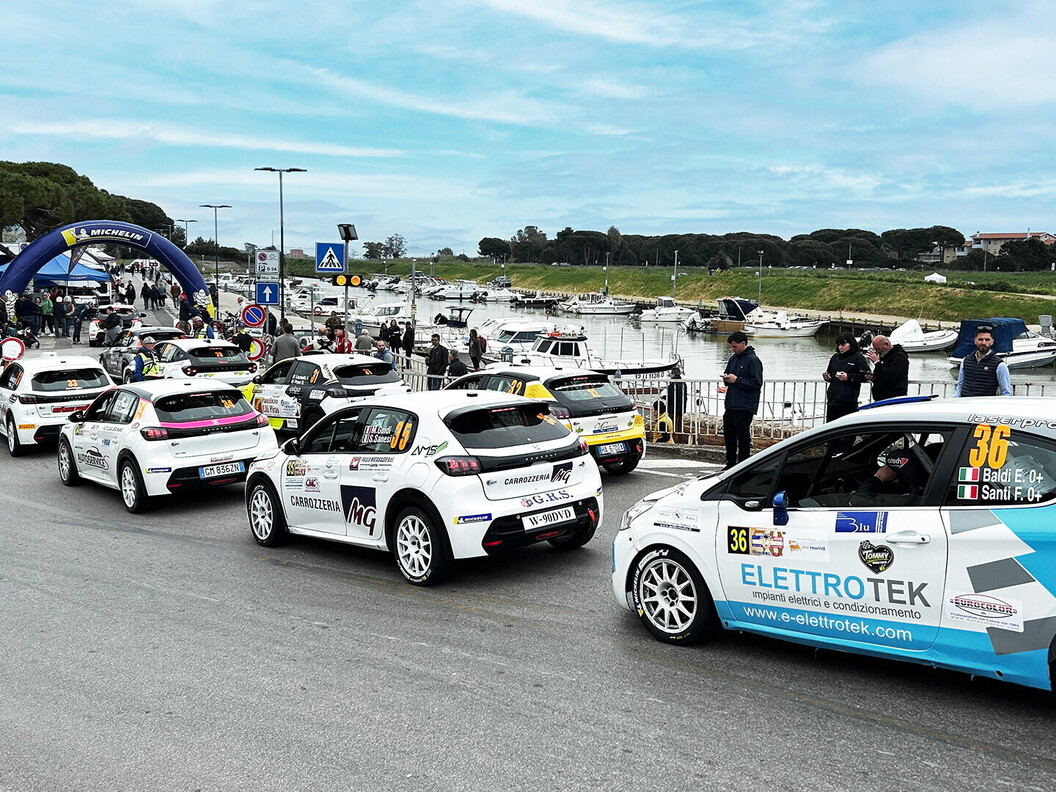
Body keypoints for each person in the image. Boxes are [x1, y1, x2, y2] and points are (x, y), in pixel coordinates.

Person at [721, 331, 763, 469]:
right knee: (729, 435)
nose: (733, 349)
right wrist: (727, 379)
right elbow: (728, 376)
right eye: (731, 347)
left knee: (743, 437)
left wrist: (737, 380)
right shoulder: (733, 358)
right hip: (731, 403)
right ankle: (730, 464)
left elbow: (757, 383)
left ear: (743, 344)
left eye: (735, 346)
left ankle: (743, 465)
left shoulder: (753, 360)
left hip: (745, 405)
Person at [823, 334, 871, 422]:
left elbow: (866, 375)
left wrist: (848, 377)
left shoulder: (858, 357)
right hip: (833, 398)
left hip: (848, 400)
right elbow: (830, 373)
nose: (841, 347)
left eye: (843, 345)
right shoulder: (834, 357)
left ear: (851, 344)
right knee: (831, 428)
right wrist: (827, 377)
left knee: (846, 428)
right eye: (839, 345)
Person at [954, 324, 1012, 397]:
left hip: (985, 406)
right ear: (975, 341)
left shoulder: (1000, 365)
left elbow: (1006, 393)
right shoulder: (966, 360)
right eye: (980, 339)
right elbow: (960, 384)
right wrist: (956, 399)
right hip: (964, 404)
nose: (984, 343)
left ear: (992, 341)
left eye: (987, 340)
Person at [865, 335, 909, 402]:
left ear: (886, 345)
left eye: (878, 349)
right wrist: (874, 378)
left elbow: (890, 376)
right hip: (881, 398)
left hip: (893, 398)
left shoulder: (899, 357)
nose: (877, 352)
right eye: (875, 350)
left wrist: (877, 363)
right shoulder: (885, 358)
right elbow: (883, 376)